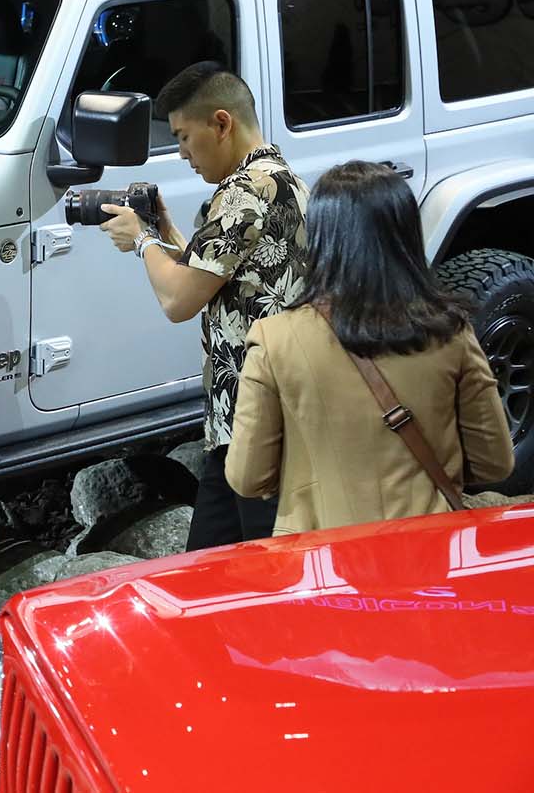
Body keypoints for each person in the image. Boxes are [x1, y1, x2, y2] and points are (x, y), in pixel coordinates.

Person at [225, 161, 513, 534]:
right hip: (430, 547)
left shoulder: (274, 339)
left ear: (322, 239)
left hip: (323, 560)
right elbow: (494, 463)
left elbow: (248, 477)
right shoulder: (449, 332)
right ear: (406, 234)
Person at [98, 61, 310, 551]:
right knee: (209, 567)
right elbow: (211, 278)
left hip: (258, 423)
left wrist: (144, 239)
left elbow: (177, 300)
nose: (182, 153)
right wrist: (170, 235)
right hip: (245, 421)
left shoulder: (244, 194)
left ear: (221, 123)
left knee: (260, 571)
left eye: (184, 137)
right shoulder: (280, 178)